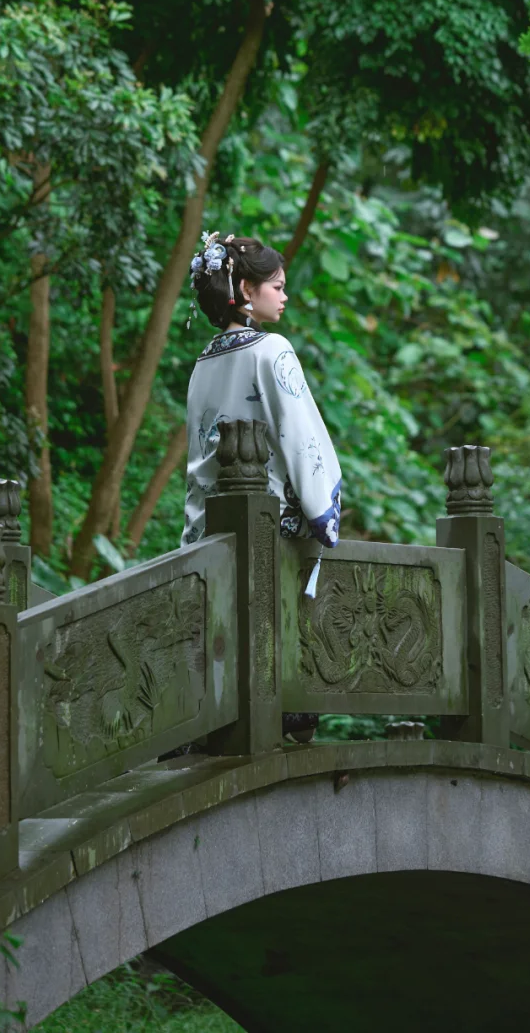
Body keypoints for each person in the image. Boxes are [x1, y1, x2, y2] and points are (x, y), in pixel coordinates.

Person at [182, 231, 341, 741]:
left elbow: (196, 456)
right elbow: (301, 436)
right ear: (246, 291)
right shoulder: (272, 351)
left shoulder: (204, 362)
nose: (284, 295)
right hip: (272, 527)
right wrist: (323, 508)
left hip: (213, 528)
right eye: (276, 285)